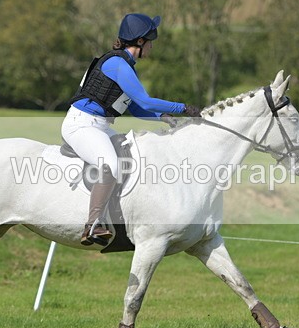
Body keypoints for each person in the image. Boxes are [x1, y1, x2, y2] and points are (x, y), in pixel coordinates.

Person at [61, 13, 201, 246]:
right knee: (111, 164)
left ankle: (123, 219)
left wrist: (162, 116)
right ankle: (92, 224)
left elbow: (136, 108)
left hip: (100, 126)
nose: (152, 47)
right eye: (150, 42)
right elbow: (145, 101)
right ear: (139, 42)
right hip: (81, 124)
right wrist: (182, 107)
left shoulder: (124, 66)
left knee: (132, 159)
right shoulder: (117, 64)